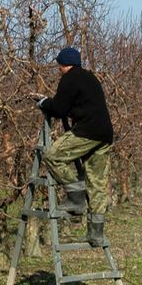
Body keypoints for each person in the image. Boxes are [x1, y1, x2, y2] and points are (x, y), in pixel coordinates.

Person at [37, 47, 115, 241]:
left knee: (53, 156)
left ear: (63, 64)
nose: (59, 69)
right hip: (104, 134)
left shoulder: (69, 78)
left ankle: (76, 197)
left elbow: (59, 109)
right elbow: (79, 105)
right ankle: (96, 233)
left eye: (58, 66)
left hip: (87, 131)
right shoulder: (90, 78)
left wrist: (44, 103)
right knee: (97, 183)